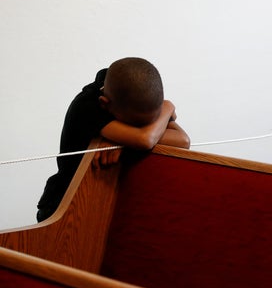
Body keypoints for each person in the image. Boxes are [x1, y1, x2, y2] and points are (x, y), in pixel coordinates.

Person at [36, 57, 191, 222]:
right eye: (136, 125)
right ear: (105, 104)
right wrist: (168, 107)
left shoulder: (139, 99)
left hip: (107, 206)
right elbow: (145, 139)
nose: (146, 127)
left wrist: (122, 139)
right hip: (62, 205)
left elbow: (183, 140)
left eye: (151, 123)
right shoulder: (86, 106)